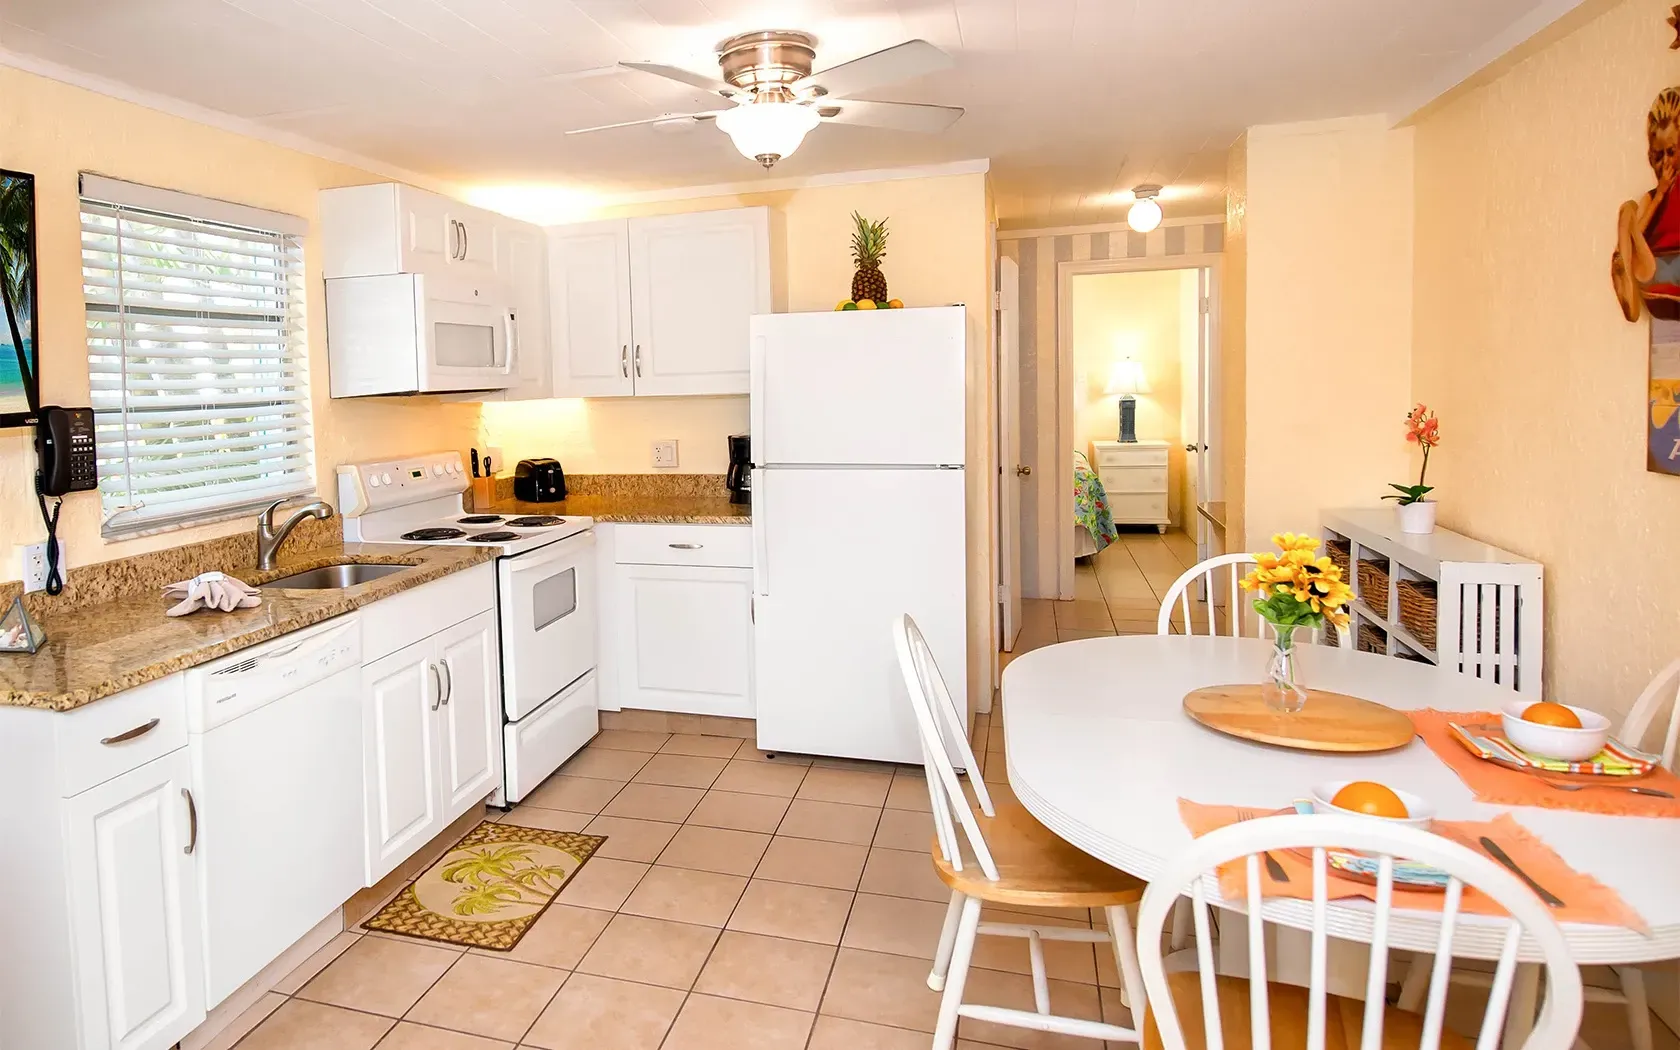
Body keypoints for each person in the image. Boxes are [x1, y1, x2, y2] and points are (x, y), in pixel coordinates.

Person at [1615, 87, 1680, 321]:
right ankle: (1626, 278)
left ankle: (1623, 265)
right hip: (1652, 277)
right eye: (1659, 155)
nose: (1666, 162)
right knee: (1630, 211)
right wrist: (1660, 194)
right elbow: (1639, 236)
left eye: (1671, 152)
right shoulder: (1653, 196)